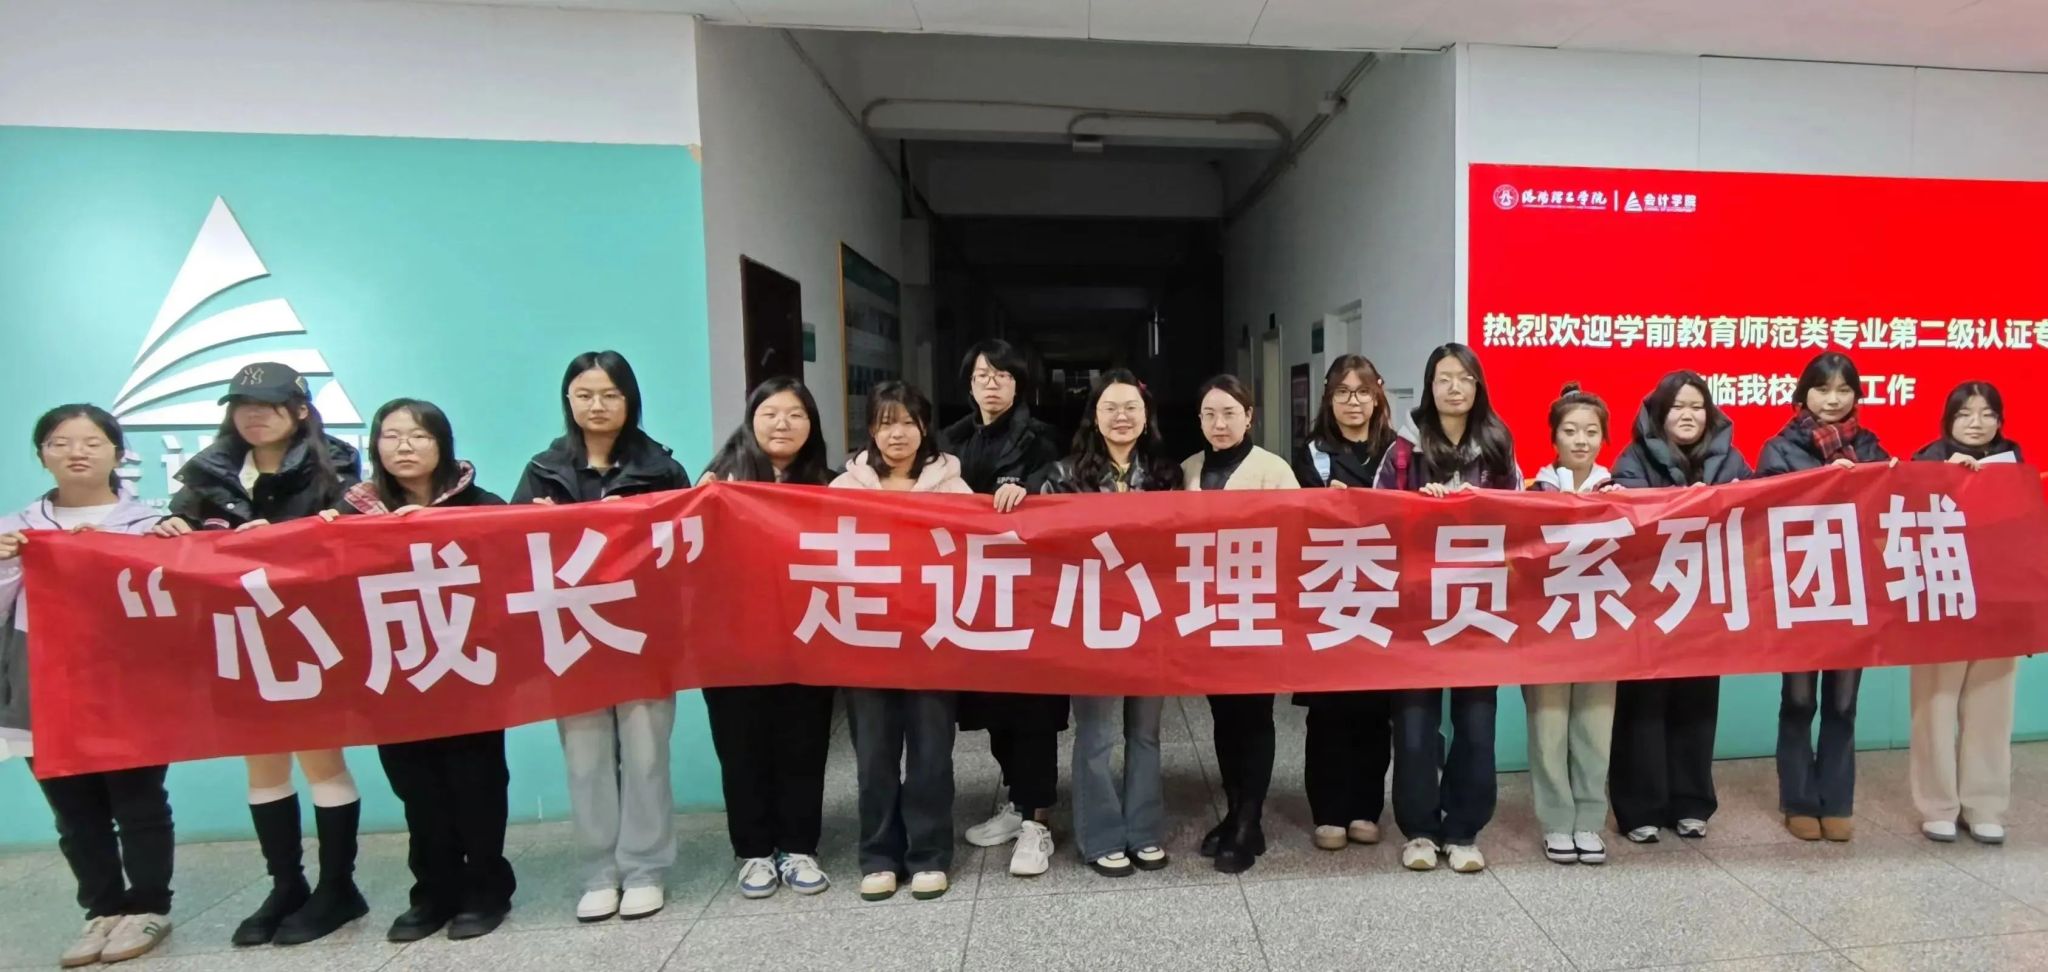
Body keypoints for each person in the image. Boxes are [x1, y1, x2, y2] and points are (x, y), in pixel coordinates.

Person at [150, 362, 368, 946]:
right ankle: (286, 884)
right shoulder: (207, 473)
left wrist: (281, 536)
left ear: (299, 411)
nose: (253, 416)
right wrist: (171, 526)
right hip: (235, 633)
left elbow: (349, 542)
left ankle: (338, 887)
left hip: (307, 630)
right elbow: (178, 539)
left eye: (268, 406)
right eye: (242, 406)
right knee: (262, 762)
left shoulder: (336, 468)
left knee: (321, 757)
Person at [320, 399, 515, 942]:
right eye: (391, 436)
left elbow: (513, 570)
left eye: (419, 436)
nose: (404, 446)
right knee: (416, 787)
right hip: (394, 671)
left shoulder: (482, 505)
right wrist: (326, 537)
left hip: (468, 667)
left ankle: (487, 887)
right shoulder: (348, 513)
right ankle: (433, 891)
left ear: (443, 444)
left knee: (476, 782)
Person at [512, 351, 689, 920]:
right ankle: (598, 873)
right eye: (585, 394)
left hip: (642, 634)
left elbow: (686, 551)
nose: (597, 406)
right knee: (585, 759)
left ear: (630, 400)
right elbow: (511, 551)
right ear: (568, 400)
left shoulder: (662, 470)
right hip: (574, 635)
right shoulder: (542, 470)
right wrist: (536, 522)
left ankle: (644, 868)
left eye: (610, 395)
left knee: (645, 755)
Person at [0, 405, 175, 966]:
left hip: (128, 683)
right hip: (42, 686)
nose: (77, 452)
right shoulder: (14, 528)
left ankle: (148, 906)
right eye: (60, 442)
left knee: (138, 799)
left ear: (118, 453)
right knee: (73, 810)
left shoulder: (151, 523)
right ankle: (101, 909)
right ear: (41, 455)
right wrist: (9, 564)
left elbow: (179, 602)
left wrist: (169, 545)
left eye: (92, 442)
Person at [1015, 370, 1182, 877]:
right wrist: (1012, 494)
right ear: (1094, 416)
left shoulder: (1167, 475)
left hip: (1150, 618)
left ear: (1146, 416)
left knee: (1146, 733)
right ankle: (1102, 835)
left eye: (1131, 407)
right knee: (1096, 734)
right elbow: (1033, 535)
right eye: (1110, 407)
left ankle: (1144, 831)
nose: (1121, 417)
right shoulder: (1061, 475)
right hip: (1091, 623)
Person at [1374, 343, 1522, 874]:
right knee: (1414, 726)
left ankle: (1463, 830)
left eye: (1464, 378)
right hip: (1416, 610)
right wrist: (1417, 507)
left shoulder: (1498, 446)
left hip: (1478, 609)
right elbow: (1376, 521)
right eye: (1443, 378)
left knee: (1476, 725)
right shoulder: (1403, 451)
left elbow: (1520, 523)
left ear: (1478, 386)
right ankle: (1418, 830)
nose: (1454, 387)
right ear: (1430, 386)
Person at [697, 377, 837, 898]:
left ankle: (798, 847)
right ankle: (754, 852)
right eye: (770, 413)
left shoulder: (831, 484)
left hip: (808, 635)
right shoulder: (716, 483)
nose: (783, 424)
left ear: (811, 425)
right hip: (732, 643)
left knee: (804, 742)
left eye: (796, 415)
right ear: (751, 420)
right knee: (741, 747)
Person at [833, 381, 971, 902]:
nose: (898, 433)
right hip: (865, 644)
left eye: (908, 422)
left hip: (932, 642)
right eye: (886, 422)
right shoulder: (842, 489)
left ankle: (929, 854)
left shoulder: (953, 487)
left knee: (932, 755)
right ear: (871, 429)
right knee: (874, 755)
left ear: (924, 428)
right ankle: (879, 855)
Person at [1607, 370, 1751, 845]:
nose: (1688, 415)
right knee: (1643, 704)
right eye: (1677, 407)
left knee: (1698, 703)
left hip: (1704, 601)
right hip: (1648, 601)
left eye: (1696, 407)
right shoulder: (1632, 460)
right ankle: (1640, 807)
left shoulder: (1732, 461)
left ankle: (1691, 803)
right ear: (1658, 414)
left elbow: (1757, 514)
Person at [942, 339, 1067, 879]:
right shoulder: (949, 441)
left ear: (1019, 383)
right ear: (969, 384)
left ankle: (1038, 821)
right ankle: (1017, 803)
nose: (991, 383)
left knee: (1033, 706)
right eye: (981, 375)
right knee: (992, 706)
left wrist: (1027, 489)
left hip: (1031, 595)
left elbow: (1059, 492)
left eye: (1002, 375)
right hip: (974, 593)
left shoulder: (1043, 439)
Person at [1756, 351, 1889, 842]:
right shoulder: (1779, 448)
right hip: (1800, 591)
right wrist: (1824, 486)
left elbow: (1889, 511)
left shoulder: (1871, 449)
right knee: (1798, 700)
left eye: (1843, 390)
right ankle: (1798, 800)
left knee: (1843, 702)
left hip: (1855, 593)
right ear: (1803, 393)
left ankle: (1837, 800)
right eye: (1823, 389)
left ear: (1856, 395)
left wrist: (1869, 481)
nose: (1833, 399)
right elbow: (1763, 510)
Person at [1184, 374, 1299, 874]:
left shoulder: (1274, 469)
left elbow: (1297, 538)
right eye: (1210, 414)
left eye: (1230, 412)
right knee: (1223, 715)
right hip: (1207, 612)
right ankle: (1234, 812)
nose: (1220, 423)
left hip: (1258, 611)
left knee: (1254, 715)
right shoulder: (1188, 469)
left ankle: (1251, 821)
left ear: (1249, 416)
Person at [1288, 355, 1398, 853]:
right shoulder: (1311, 453)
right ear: (1328, 399)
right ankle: (1328, 810)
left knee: (1374, 710)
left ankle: (1365, 808)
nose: (1353, 402)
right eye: (1342, 392)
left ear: (1377, 396)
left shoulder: (1398, 452)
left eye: (1362, 392)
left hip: (1384, 592)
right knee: (1328, 710)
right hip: (1328, 593)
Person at [1909, 381, 2022, 845]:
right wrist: (1944, 478)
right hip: (1943, 600)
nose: (1977, 423)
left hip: (1999, 604)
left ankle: (1984, 804)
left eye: (1987, 414)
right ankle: (1937, 805)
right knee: (1935, 705)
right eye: (1965, 414)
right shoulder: (1924, 463)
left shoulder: (2015, 467)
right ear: (1948, 420)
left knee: (1992, 707)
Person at [1524, 383, 1616, 865]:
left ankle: (1590, 821)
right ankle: (1557, 822)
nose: (1581, 440)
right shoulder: (1531, 493)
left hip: (1603, 626)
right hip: (1547, 627)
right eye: (1571, 431)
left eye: (1591, 431)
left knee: (1595, 727)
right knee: (1549, 726)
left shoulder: (1622, 492)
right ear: (1554, 437)